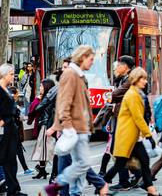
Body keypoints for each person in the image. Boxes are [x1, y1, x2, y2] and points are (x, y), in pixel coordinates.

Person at [44, 45, 99, 196]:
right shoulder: (70, 74)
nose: (92, 62)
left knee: (79, 164)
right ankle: (58, 185)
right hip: (74, 128)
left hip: (80, 127)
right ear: (82, 57)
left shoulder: (79, 75)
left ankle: (71, 191)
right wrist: (67, 128)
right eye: (91, 59)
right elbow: (63, 104)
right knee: (82, 163)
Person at [102, 67, 159, 196]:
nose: (145, 81)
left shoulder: (136, 93)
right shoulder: (132, 94)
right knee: (120, 164)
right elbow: (138, 117)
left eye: (145, 78)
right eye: (143, 79)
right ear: (135, 80)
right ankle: (101, 185)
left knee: (142, 162)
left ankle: (150, 188)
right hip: (128, 137)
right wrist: (148, 135)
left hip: (133, 137)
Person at [0, 64, 26, 196]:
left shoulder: (5, 88)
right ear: (4, 74)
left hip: (10, 126)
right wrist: (0, 121)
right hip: (4, 127)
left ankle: (13, 189)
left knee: (10, 159)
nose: (13, 77)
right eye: (11, 74)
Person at [108, 55, 137, 190]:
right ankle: (139, 175)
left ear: (125, 67)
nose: (116, 67)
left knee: (119, 150)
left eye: (118, 65)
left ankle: (126, 179)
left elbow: (114, 95)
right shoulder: (122, 78)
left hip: (124, 118)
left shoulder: (130, 79)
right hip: (120, 117)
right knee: (125, 151)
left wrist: (110, 96)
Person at [27, 78, 57, 179]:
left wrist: (37, 99)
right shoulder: (45, 97)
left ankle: (54, 170)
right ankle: (43, 170)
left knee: (47, 149)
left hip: (47, 125)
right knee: (42, 149)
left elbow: (36, 108)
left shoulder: (48, 98)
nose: (40, 88)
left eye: (41, 86)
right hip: (43, 124)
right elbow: (32, 110)